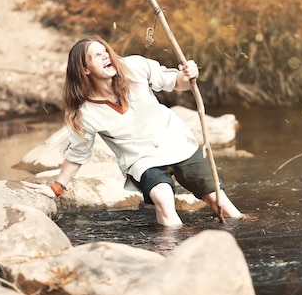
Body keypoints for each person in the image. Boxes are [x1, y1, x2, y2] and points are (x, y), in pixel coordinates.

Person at [24, 34, 242, 226]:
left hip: (175, 141)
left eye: (105, 51)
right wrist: (55, 189)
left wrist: (188, 75)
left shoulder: (135, 67)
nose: (106, 56)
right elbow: (77, 155)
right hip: (141, 159)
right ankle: (173, 250)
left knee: (220, 203)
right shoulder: (85, 113)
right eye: (96, 56)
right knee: (163, 198)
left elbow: (176, 82)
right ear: (85, 69)